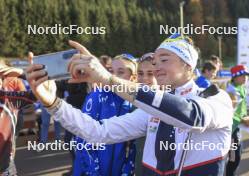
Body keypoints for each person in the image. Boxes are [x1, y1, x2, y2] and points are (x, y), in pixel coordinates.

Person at [26, 33, 233, 176]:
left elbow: (191, 116)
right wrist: (53, 103)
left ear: (188, 65)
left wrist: (109, 79)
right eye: (155, 62)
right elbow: (99, 132)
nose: (157, 67)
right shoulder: (154, 107)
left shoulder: (216, 98)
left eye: (164, 59)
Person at [73, 53, 137, 176]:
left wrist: (126, 172)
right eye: (111, 71)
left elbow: (134, 147)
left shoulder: (136, 105)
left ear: (133, 78)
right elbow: (82, 138)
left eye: (120, 72)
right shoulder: (97, 96)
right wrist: (93, 171)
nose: (113, 76)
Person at [225, 65, 249, 176]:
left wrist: (246, 116)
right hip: (231, 129)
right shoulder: (231, 91)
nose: (245, 78)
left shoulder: (241, 88)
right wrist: (243, 119)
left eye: (246, 75)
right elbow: (229, 112)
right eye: (242, 75)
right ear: (235, 77)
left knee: (237, 154)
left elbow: (241, 108)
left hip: (237, 126)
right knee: (234, 158)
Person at [135, 52, 157, 175]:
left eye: (150, 74)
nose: (144, 79)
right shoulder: (135, 103)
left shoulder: (172, 103)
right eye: (140, 74)